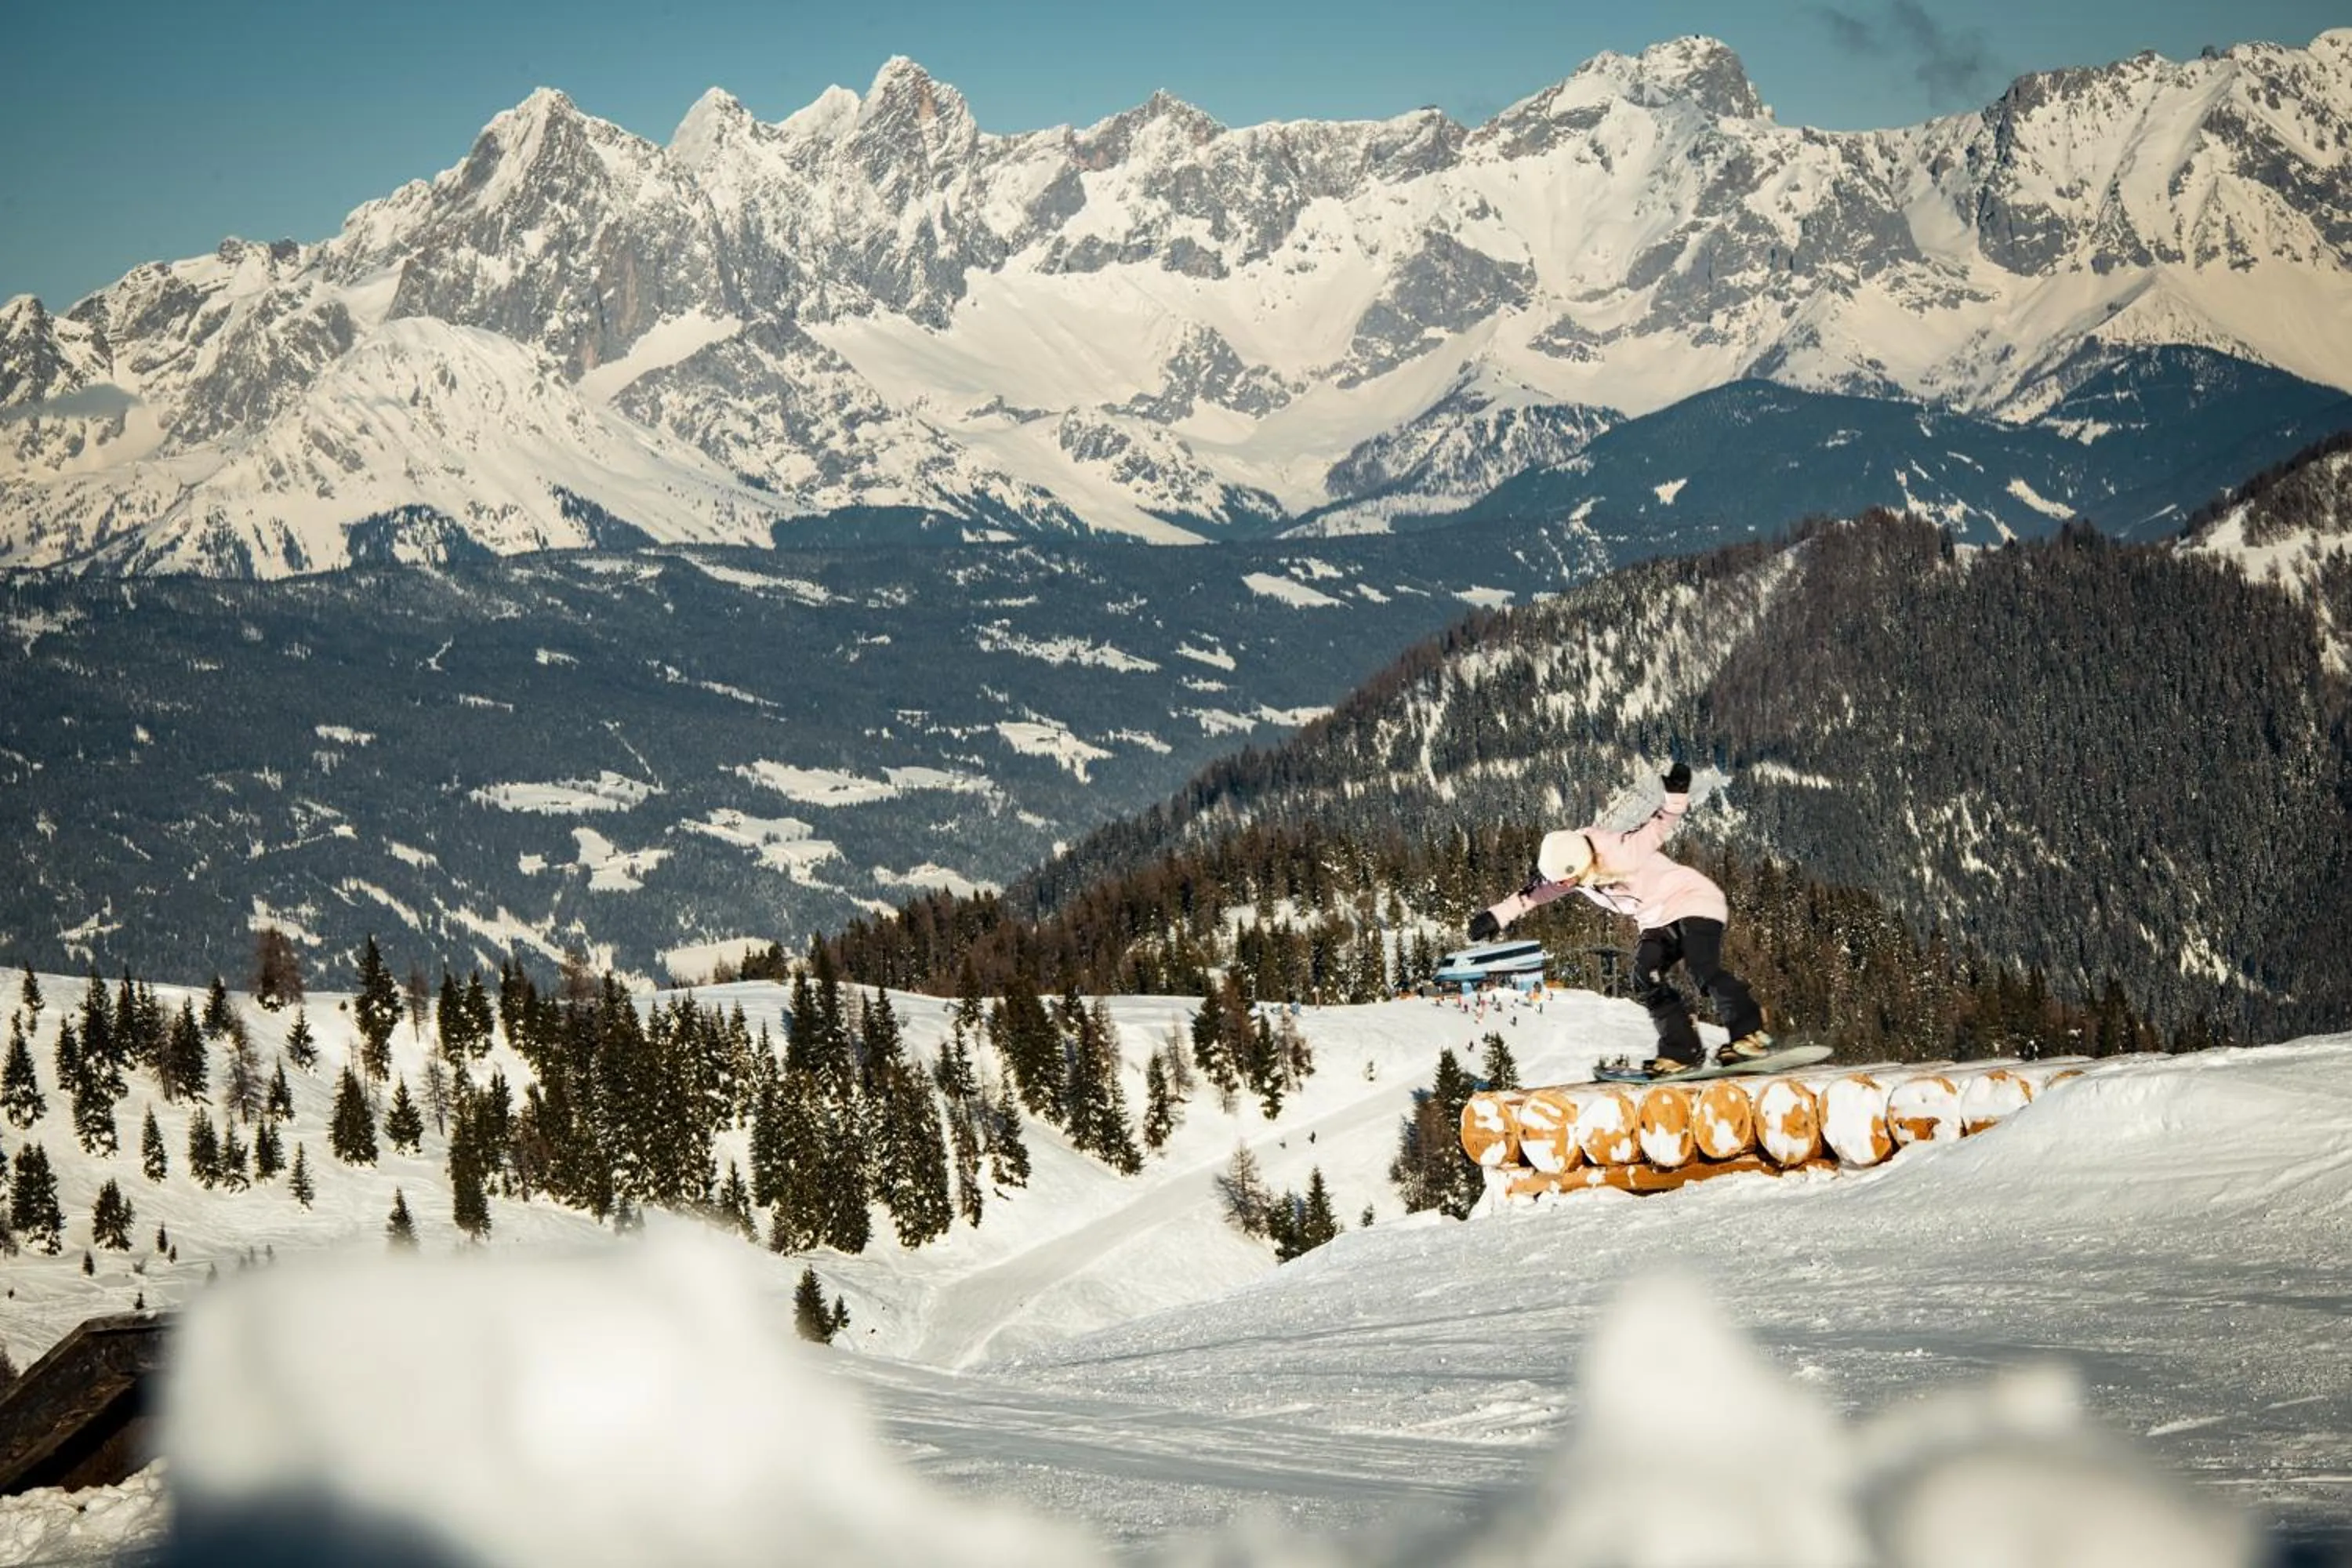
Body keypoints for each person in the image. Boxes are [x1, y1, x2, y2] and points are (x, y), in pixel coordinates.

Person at [1467, 761, 1769, 1078]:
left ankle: (1750, 1032)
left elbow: (1657, 828)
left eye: (1565, 883)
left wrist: (1676, 796)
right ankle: (1683, 1051)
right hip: (1655, 919)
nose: (1562, 888)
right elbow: (1534, 894)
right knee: (1645, 975)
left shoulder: (1621, 852)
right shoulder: (1570, 868)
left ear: (1579, 868)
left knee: (1700, 967)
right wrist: (1496, 916)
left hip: (1693, 900)